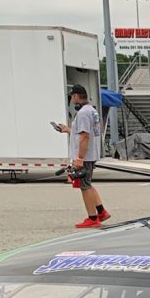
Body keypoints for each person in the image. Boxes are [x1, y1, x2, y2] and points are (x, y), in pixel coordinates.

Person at [58, 84, 111, 228]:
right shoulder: (92, 111)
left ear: (76, 96)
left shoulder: (82, 114)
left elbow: (85, 136)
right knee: (88, 184)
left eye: (72, 97)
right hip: (91, 154)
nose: (72, 99)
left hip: (85, 156)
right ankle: (101, 211)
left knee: (84, 187)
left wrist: (79, 158)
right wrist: (68, 130)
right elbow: (83, 133)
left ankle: (92, 218)